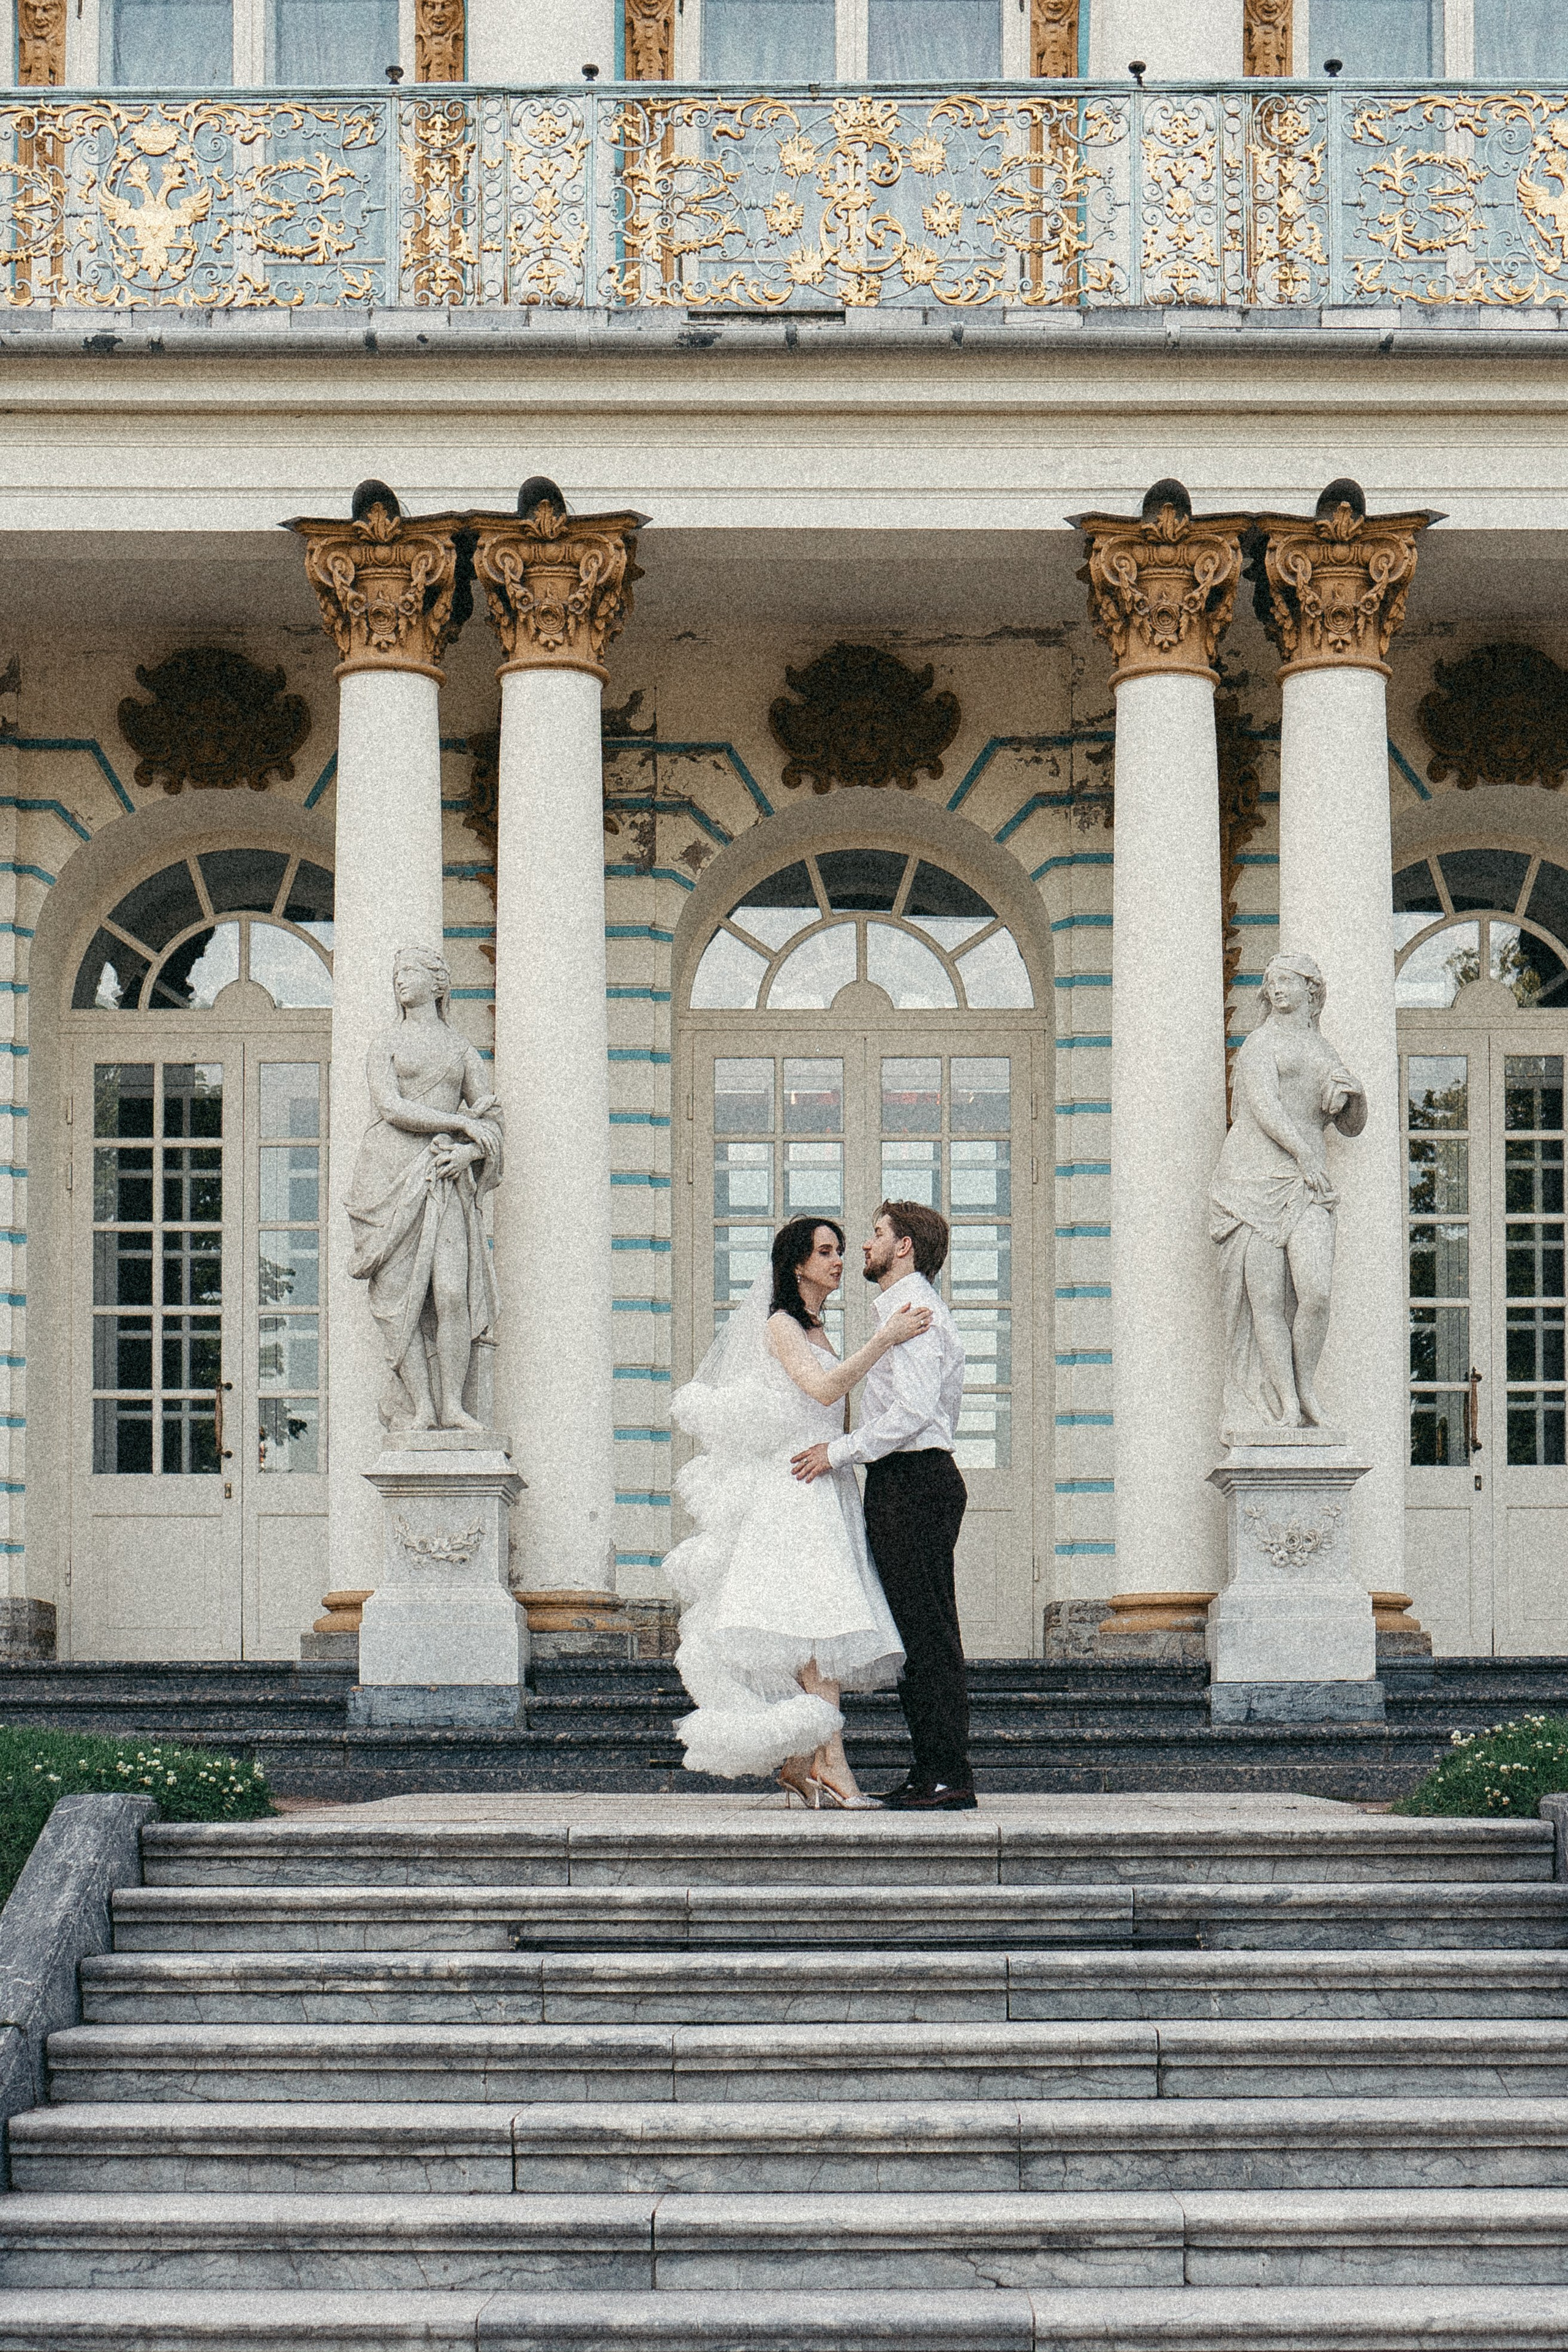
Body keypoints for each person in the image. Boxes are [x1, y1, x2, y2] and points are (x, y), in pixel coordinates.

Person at [666, 1216, 932, 1806]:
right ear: (797, 1264)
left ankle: (801, 1762)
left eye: (840, 1251)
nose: (839, 1261)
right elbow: (822, 1390)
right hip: (795, 1489)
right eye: (825, 1251)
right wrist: (886, 1338)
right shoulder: (783, 1326)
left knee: (816, 1627)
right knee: (820, 1624)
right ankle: (829, 1762)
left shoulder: (816, 1326)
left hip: (825, 1484)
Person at [791, 1202, 972, 1812]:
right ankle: (936, 1771)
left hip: (913, 1479)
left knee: (927, 1637)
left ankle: (944, 1775)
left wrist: (837, 1452)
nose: (862, 1246)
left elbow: (914, 1413)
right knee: (925, 1633)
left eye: (874, 1236)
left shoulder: (910, 1310)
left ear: (903, 1248)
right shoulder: (908, 1310)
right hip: (914, 1479)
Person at [345, 944, 503, 1432]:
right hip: (388, 1175)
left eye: (409, 971)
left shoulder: (460, 1049)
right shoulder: (385, 1044)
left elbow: (492, 1119)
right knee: (398, 1300)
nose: (400, 980)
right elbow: (390, 1107)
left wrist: (469, 1153)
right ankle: (423, 1408)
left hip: (443, 1176)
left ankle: (454, 1405)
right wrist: (458, 1122)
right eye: (396, 973)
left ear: (438, 984)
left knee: (452, 1293)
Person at [1209, 949, 1366, 1433]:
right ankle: (1287, 1406)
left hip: (1305, 1183)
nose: (1276, 990)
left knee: (1316, 1292)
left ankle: (1306, 1387)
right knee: (1267, 1303)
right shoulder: (1261, 1043)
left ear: (1311, 991)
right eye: (1271, 982)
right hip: (1253, 1179)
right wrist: (1304, 1155)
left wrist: (1356, 1096)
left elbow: (1351, 1127)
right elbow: (1264, 1108)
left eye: (1287, 982)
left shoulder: (1325, 1051)